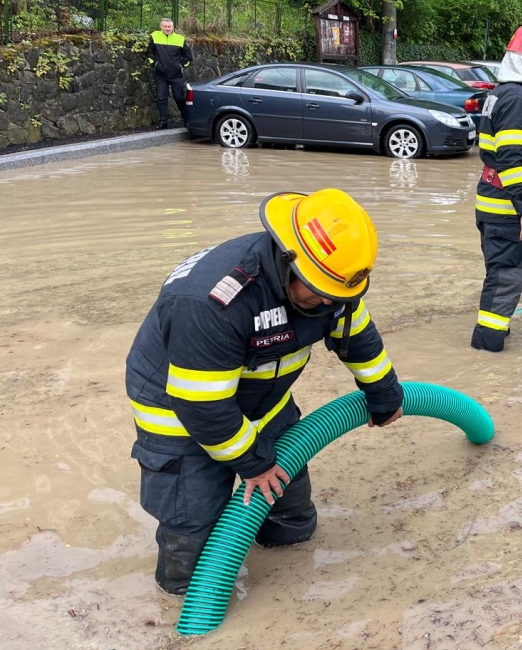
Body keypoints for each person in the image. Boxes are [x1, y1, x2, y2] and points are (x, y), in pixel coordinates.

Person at [126, 189, 404, 596]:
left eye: (337, 294)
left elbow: (356, 334)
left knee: (292, 512)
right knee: (194, 524)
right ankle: (188, 601)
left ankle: (285, 566)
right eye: (320, 290)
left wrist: (384, 393)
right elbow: (201, 404)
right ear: (288, 259)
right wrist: (253, 463)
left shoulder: (333, 284)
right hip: (181, 415)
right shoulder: (212, 302)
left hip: (265, 403)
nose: (329, 302)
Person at [471, 21, 522, 353]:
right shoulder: (517, 99)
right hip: (505, 208)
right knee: (506, 280)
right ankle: (487, 350)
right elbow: (509, 159)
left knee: (498, 277)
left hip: (491, 203)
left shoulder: (500, 93)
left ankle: (491, 337)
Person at [147, 18, 193, 129]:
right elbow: (150, 52)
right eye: (165, 26)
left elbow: (188, 57)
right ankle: (163, 122)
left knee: (179, 97)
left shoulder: (180, 39)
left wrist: (180, 66)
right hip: (161, 74)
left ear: (173, 27)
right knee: (161, 98)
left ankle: (186, 118)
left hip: (176, 75)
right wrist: (155, 64)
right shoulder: (154, 37)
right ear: (161, 27)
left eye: (169, 26)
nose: (167, 28)